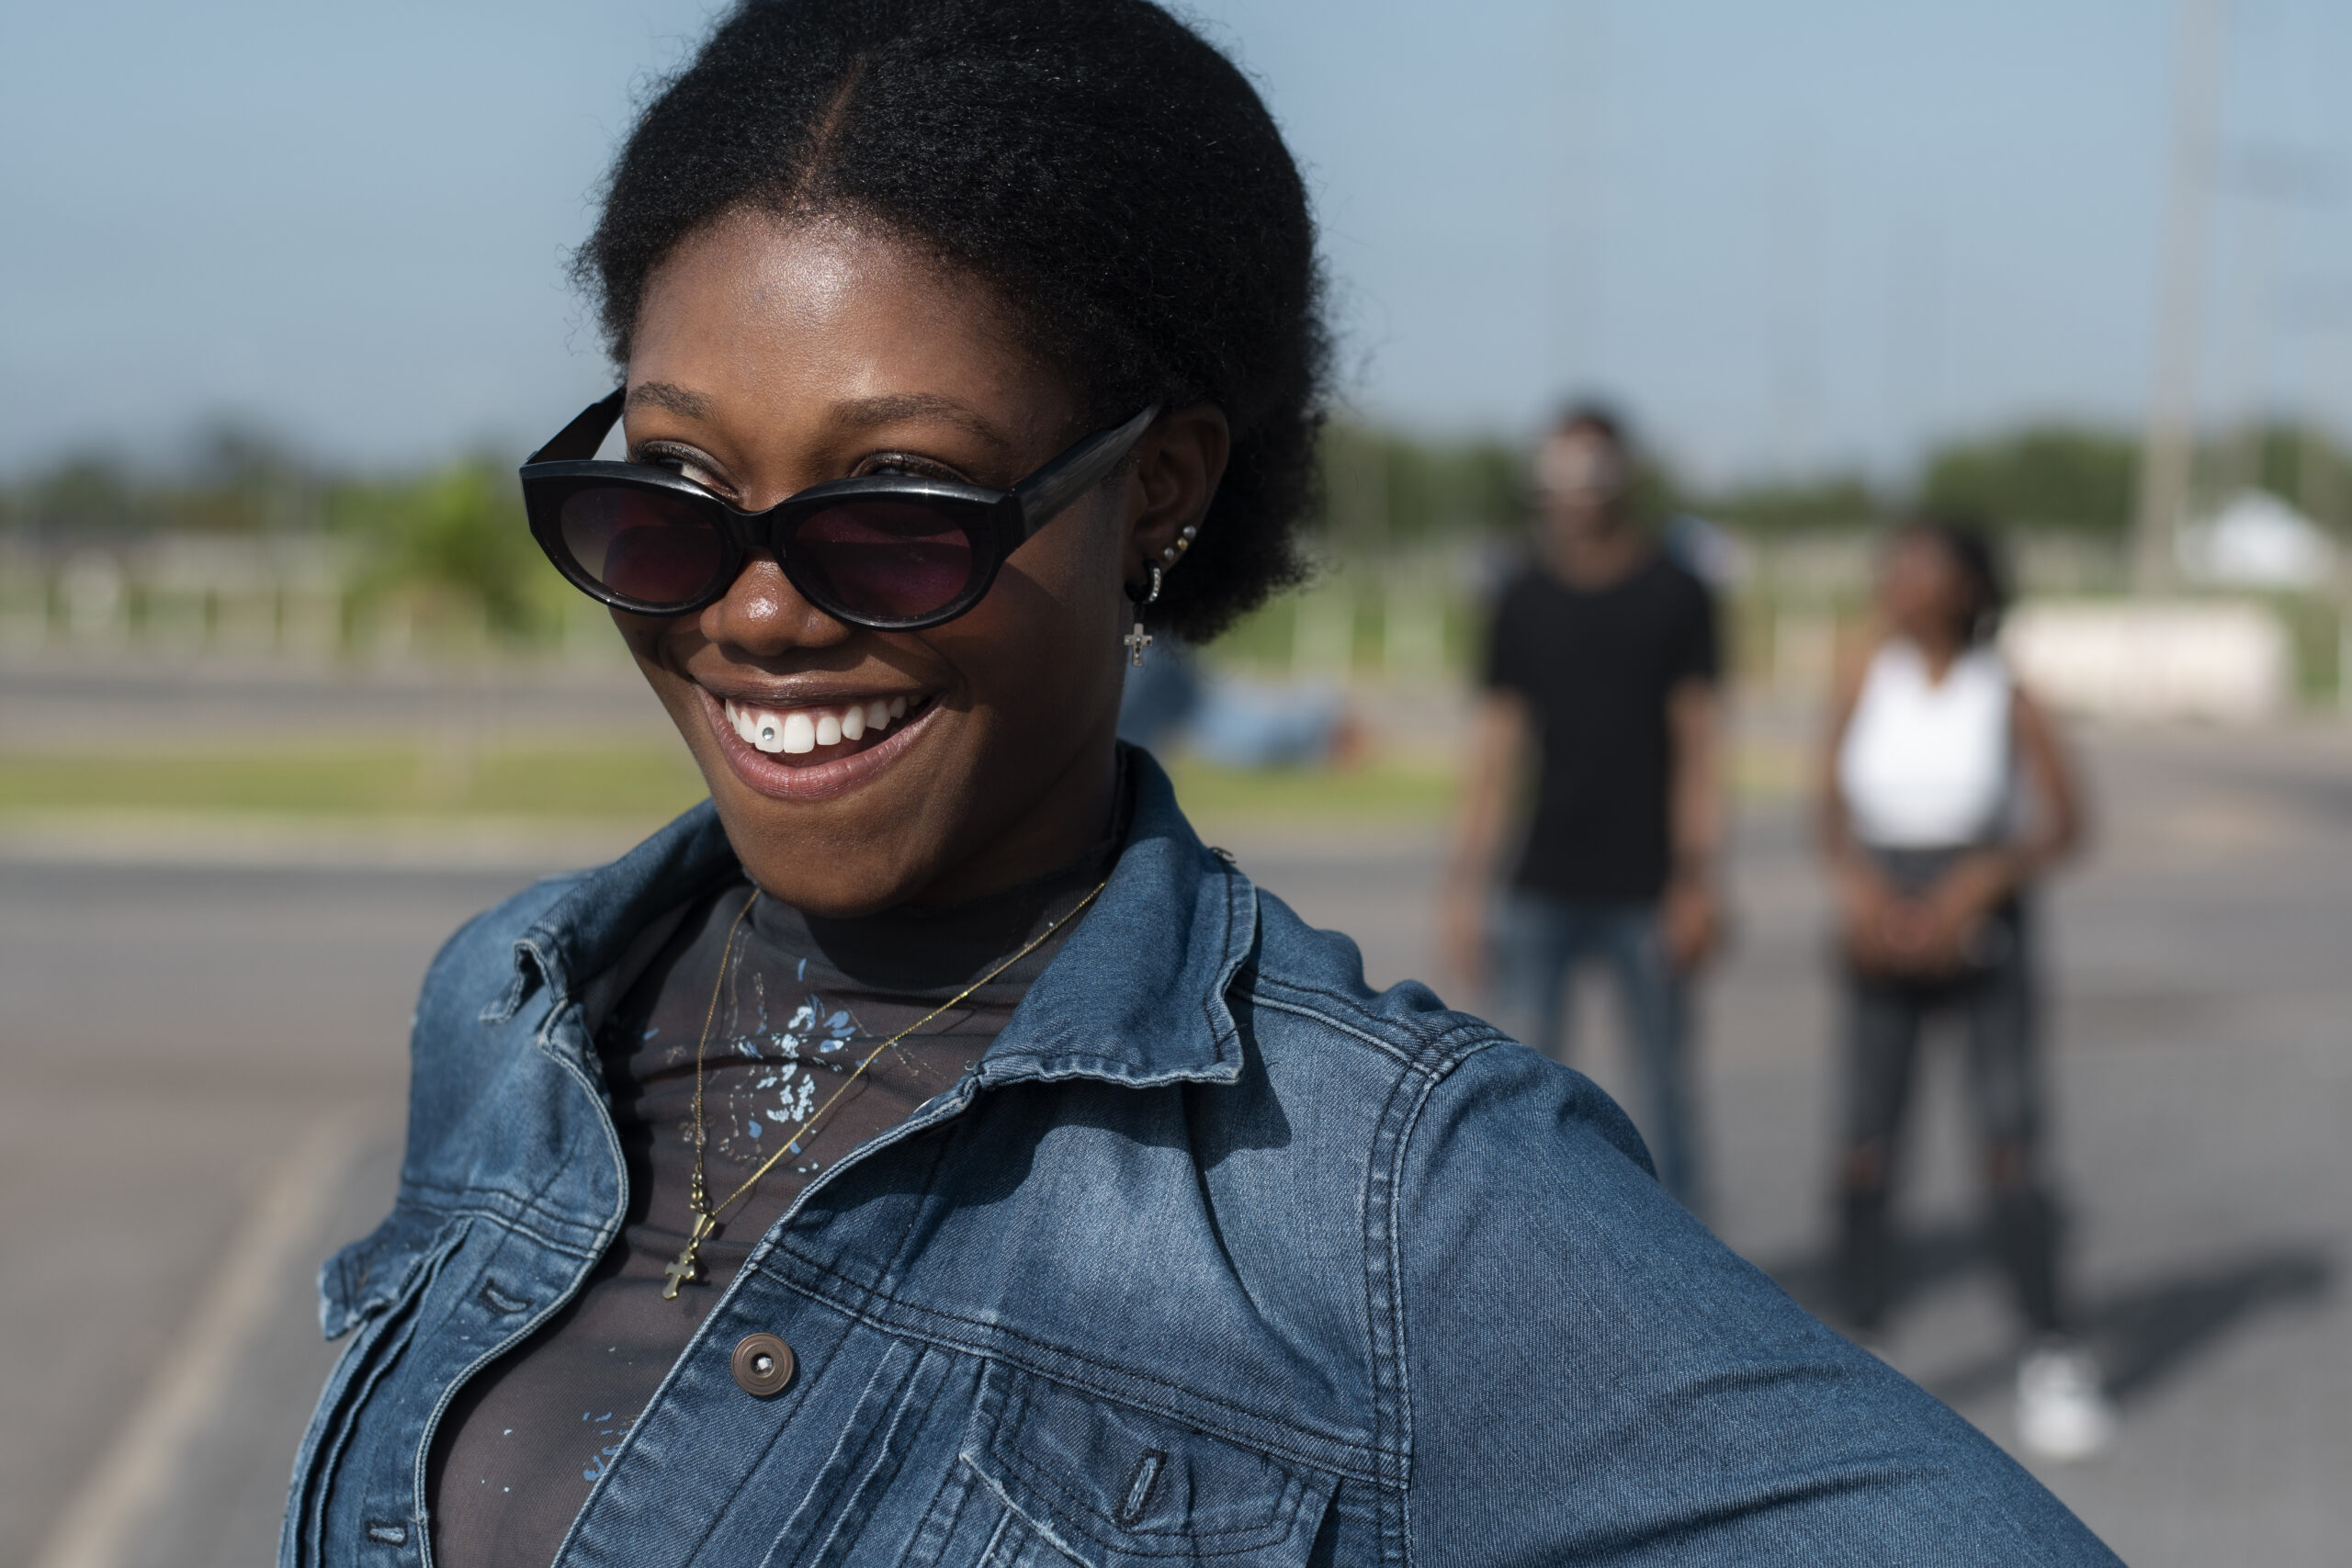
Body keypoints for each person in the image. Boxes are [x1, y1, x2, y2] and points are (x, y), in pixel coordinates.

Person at [284, 5, 2119, 1562]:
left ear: (1153, 488)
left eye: (897, 511)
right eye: (666, 493)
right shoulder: (516, 1000)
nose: (756, 612)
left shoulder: (1379, 1192)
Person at [1821, 515, 2114, 1461]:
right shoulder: (1863, 673)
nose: (1899, 579)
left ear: (1969, 586)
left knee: (2007, 1138)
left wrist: (1979, 882)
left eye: (1923, 565)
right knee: (1867, 1139)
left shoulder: (2005, 690)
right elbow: (1824, 806)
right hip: (1882, 919)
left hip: (1981, 918)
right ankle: (1860, 1341)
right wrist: (1863, 891)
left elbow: (2066, 822)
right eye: (1893, 562)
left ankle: (2050, 1351)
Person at [1443, 407, 1724, 1212]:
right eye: (1558, 472)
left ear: (1622, 474)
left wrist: (1699, 877)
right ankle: (1536, 1276)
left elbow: (1702, 745)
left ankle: (1690, 1287)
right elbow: (1494, 753)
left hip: (1650, 885)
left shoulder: (1677, 590)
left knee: (1667, 1097)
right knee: (1524, 1098)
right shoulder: (1520, 596)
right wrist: (1465, 888)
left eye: (1591, 470)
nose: (1574, 491)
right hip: (1541, 881)